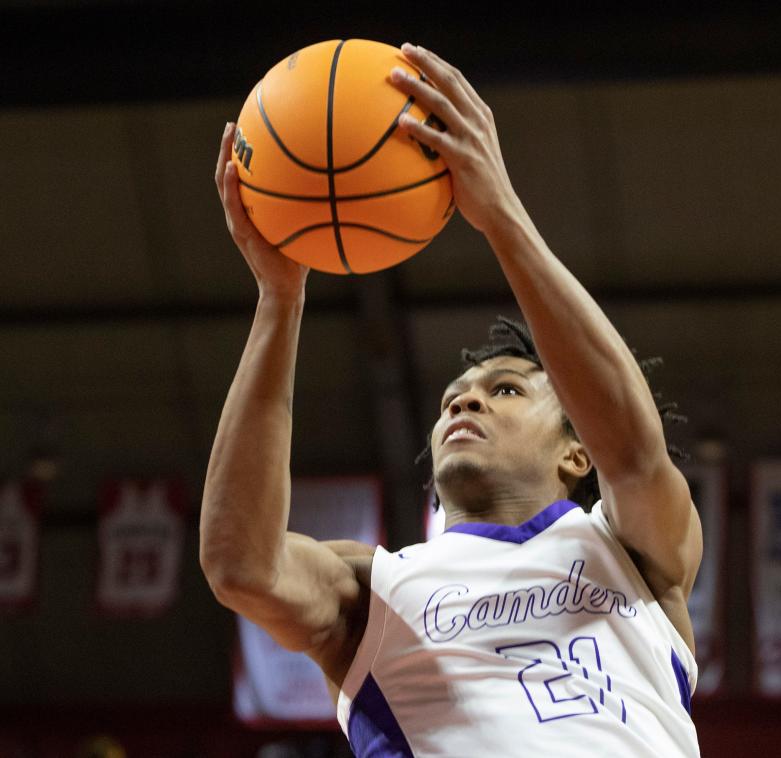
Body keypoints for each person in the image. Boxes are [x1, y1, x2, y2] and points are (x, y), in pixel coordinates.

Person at [202, 43, 702, 757]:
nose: (463, 406)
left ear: (574, 450)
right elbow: (239, 566)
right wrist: (279, 300)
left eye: (504, 390)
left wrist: (498, 212)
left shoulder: (629, 549)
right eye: (451, 400)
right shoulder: (374, 586)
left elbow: (631, 450)